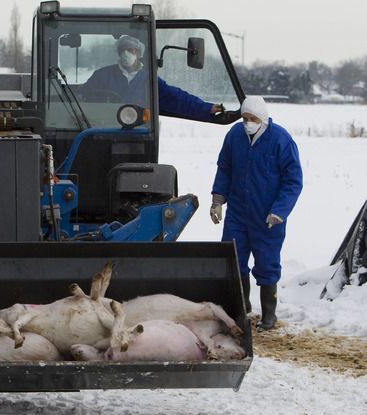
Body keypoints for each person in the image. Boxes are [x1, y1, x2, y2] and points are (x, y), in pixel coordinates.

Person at [210, 96, 303, 331]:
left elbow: (293, 181)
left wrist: (279, 211)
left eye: (251, 119)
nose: (247, 123)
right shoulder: (234, 136)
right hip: (238, 213)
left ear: (262, 119)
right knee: (233, 259)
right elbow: (225, 168)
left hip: (268, 216)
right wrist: (218, 200)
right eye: (244, 118)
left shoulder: (281, 139)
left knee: (267, 263)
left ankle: (269, 315)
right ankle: (242, 309)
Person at [82, 34, 224, 120]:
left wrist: (207, 108)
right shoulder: (102, 76)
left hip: (138, 136)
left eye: (132, 50)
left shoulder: (149, 80)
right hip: (101, 132)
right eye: (124, 49)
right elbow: (82, 98)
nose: (128, 53)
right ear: (119, 52)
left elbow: (177, 98)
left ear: (139, 53)